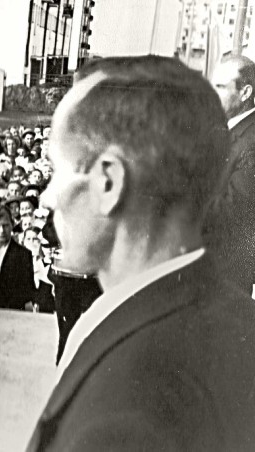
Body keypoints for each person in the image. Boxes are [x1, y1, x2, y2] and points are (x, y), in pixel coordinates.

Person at [26, 56, 255, 451]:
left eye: (58, 169)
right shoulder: (236, 323)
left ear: (110, 182)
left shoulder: (128, 404)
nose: (48, 197)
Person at [207, 55, 255, 295]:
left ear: (245, 93)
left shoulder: (252, 140)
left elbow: (233, 207)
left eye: (220, 87)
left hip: (226, 274)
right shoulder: (226, 128)